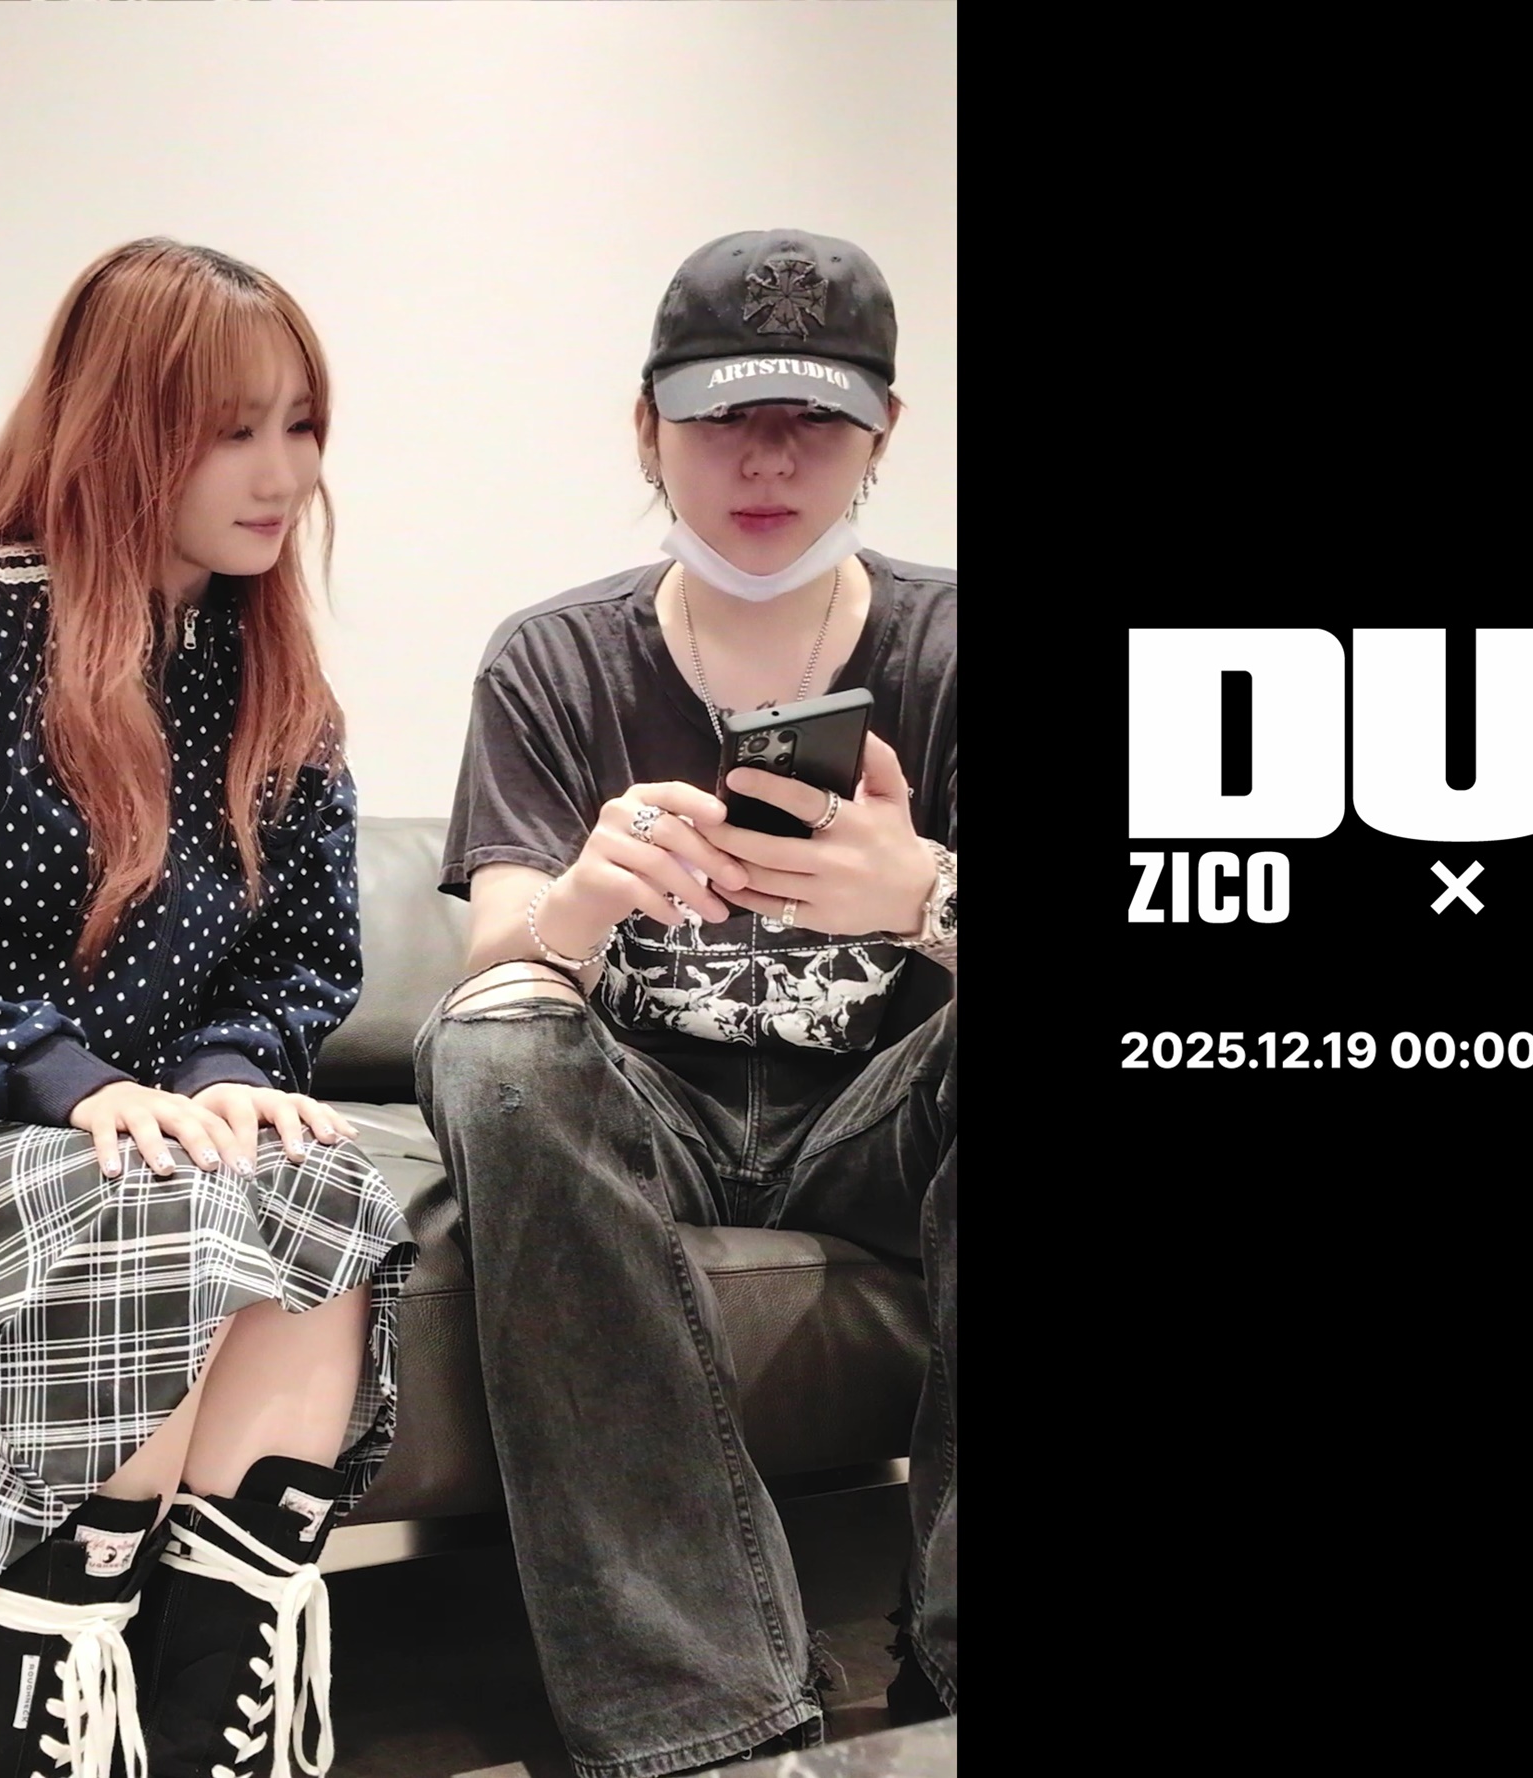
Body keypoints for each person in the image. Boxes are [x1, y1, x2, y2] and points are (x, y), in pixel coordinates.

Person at [416, 229, 956, 1775]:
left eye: (812, 421)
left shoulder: (946, 645)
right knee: (495, 1044)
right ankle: (703, 1711)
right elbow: (503, 959)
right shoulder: (554, 658)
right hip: (633, 1114)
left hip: (880, 1122)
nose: (766, 460)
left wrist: (920, 892)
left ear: (883, 430)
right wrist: (584, 900)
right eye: (724, 418)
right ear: (647, 425)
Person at [0, 238, 415, 1778]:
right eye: (234, 429)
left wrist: (228, 1068)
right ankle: (47, 1693)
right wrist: (70, 1077)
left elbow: (304, 959)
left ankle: (223, 1720)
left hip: (146, 1135)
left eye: (302, 425)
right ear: (120, 423)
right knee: (161, 1196)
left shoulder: (270, 675)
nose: (283, 472)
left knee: (320, 1178)